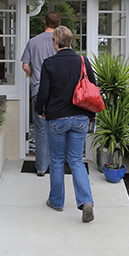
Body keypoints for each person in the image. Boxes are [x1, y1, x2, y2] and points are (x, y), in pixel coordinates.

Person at [35, 25, 95, 223]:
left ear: (55, 42)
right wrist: (90, 115)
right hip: (80, 118)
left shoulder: (49, 64)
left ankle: (57, 202)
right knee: (76, 160)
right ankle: (86, 201)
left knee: (58, 160)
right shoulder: (83, 61)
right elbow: (93, 88)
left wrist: (40, 111)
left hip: (57, 119)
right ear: (70, 42)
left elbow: (43, 93)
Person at [21, 12, 61, 176]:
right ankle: (55, 165)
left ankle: (41, 168)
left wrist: (35, 77)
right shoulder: (60, 42)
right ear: (59, 24)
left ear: (44, 22)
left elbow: (24, 65)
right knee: (57, 128)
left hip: (38, 90)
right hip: (57, 91)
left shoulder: (33, 41)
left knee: (40, 129)